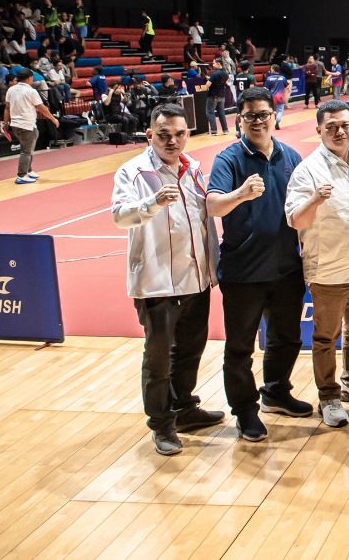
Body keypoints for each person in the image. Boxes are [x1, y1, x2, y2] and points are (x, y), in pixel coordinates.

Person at [111, 103, 223, 455]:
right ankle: (161, 424)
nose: (172, 141)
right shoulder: (134, 172)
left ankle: (185, 408)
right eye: (164, 135)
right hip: (156, 282)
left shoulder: (194, 169)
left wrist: (212, 270)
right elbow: (119, 216)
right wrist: (152, 203)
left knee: (190, 350)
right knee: (158, 357)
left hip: (196, 279)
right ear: (149, 135)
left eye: (179, 134)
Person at [207, 87, 311, 441]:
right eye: (249, 115)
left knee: (288, 338)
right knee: (239, 348)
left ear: (273, 117)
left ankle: (276, 392)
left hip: (286, 270)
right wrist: (240, 194)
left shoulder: (290, 156)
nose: (257, 121)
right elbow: (214, 205)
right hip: (243, 273)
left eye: (263, 114)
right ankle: (246, 412)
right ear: (239, 120)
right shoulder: (229, 160)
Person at [286, 100, 349, 428]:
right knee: (325, 337)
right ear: (318, 130)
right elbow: (294, 220)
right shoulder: (307, 170)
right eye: (330, 127)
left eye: (344, 125)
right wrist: (315, 198)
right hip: (328, 269)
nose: (339, 131)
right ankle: (328, 395)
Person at [5, 68, 58, 184]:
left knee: (29, 148)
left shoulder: (11, 90)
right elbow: (41, 107)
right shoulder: (31, 91)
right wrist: (53, 119)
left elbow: (7, 108)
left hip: (16, 125)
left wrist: (5, 123)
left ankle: (28, 170)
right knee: (26, 151)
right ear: (29, 78)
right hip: (26, 125)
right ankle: (21, 175)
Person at [206, 58, 231, 135]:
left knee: (210, 112)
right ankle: (225, 130)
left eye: (214, 63)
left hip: (213, 96)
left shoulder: (214, 74)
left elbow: (207, 85)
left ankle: (214, 131)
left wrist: (200, 87)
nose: (212, 65)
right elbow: (226, 83)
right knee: (221, 113)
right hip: (222, 96)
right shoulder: (225, 73)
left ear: (219, 64)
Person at [264, 62, 289, 129]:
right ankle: (277, 120)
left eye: (271, 69)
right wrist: (285, 96)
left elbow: (266, 89)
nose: (270, 70)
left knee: (271, 111)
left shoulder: (269, 78)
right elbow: (287, 87)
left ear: (273, 70)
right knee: (280, 110)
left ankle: (270, 123)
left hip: (271, 97)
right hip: (280, 97)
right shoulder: (283, 78)